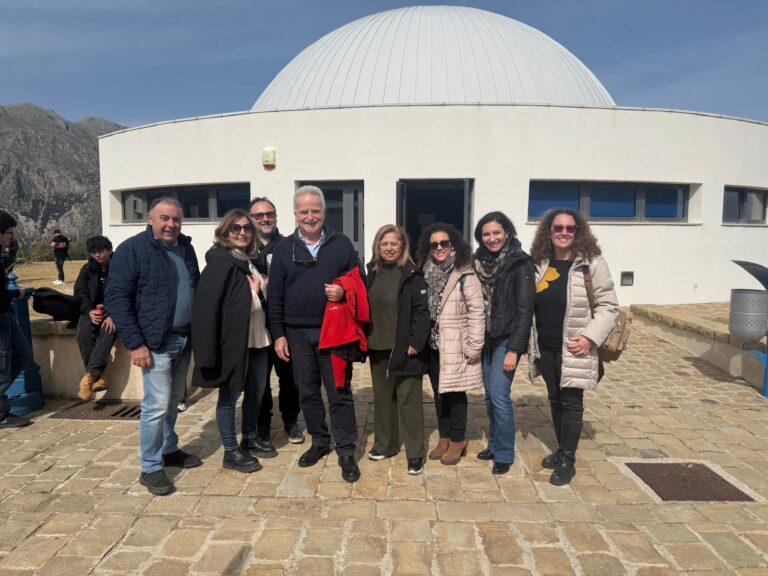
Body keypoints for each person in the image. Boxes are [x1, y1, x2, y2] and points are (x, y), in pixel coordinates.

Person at [105, 197, 202, 496]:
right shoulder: (132, 250)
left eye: (176, 219)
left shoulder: (186, 248)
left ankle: (169, 449)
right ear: (150, 219)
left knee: (173, 401)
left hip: (184, 339)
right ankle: (150, 467)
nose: (171, 224)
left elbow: (195, 286)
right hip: (155, 343)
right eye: (164, 218)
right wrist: (136, 344)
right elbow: (117, 298)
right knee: (156, 406)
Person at [268, 185, 362, 483]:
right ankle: (320, 442)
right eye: (304, 211)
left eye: (315, 211)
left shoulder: (342, 244)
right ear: (295, 215)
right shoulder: (283, 248)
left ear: (324, 212)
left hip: (333, 331)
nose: (310, 217)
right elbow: (276, 295)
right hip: (296, 334)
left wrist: (344, 289)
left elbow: (360, 278)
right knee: (307, 392)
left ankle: (346, 450)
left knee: (339, 392)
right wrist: (279, 334)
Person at [528, 209, 618, 486]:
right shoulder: (539, 263)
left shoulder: (592, 263)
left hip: (575, 346)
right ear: (549, 232)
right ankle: (560, 448)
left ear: (578, 232)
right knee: (555, 399)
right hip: (545, 346)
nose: (564, 233)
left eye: (570, 228)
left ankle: (568, 458)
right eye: (558, 228)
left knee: (571, 402)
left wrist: (590, 338)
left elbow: (608, 306)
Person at [191, 209, 272, 473]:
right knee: (229, 395)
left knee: (256, 392)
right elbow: (221, 308)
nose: (242, 233)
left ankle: (249, 437)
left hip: (258, 338)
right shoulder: (220, 263)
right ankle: (230, 450)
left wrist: (261, 289)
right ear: (225, 232)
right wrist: (255, 294)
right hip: (234, 341)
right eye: (235, 228)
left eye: (247, 228)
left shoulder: (248, 260)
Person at [472, 212, 535, 475]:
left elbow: (525, 310)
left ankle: (505, 453)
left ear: (507, 232)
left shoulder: (520, 264)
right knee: (489, 394)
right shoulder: (478, 262)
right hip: (485, 337)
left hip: (506, 339)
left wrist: (514, 349)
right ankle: (496, 444)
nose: (492, 238)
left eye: (496, 232)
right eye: (486, 234)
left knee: (499, 394)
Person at [418, 222, 484, 466]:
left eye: (444, 243)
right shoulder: (425, 271)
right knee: (439, 392)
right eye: (434, 244)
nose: (439, 247)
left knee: (456, 393)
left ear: (453, 244)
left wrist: (474, 346)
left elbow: (477, 311)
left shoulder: (464, 273)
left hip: (456, 344)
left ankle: (458, 439)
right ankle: (444, 435)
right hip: (434, 345)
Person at [366, 225, 430, 475]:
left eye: (394, 243)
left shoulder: (413, 274)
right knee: (383, 400)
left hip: (405, 348)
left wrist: (416, 342)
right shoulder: (371, 272)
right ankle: (386, 444)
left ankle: (415, 453)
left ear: (403, 247)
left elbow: (422, 313)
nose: (389, 248)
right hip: (377, 346)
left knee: (408, 402)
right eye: (385, 243)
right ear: (377, 246)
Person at [249, 196, 304, 446]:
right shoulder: (243, 249)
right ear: (251, 219)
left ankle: (291, 422)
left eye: (269, 214)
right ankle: (262, 424)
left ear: (276, 216)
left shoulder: (289, 245)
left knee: (289, 378)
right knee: (259, 379)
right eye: (259, 215)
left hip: (284, 324)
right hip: (256, 326)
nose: (265, 219)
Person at [74, 235, 118, 400]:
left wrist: (112, 314)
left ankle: (89, 376)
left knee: (108, 330)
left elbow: (124, 292)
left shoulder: (119, 267)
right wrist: (89, 311)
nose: (97, 255)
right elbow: (80, 292)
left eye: (101, 251)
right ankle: (98, 376)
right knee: (83, 333)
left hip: (114, 310)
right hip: (93, 310)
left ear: (110, 250)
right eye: (93, 252)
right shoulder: (87, 269)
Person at [0, 211, 32, 428]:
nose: (11, 238)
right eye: (9, 233)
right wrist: (16, 294)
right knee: (3, 362)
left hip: (7, 313)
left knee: (22, 354)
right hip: (1, 315)